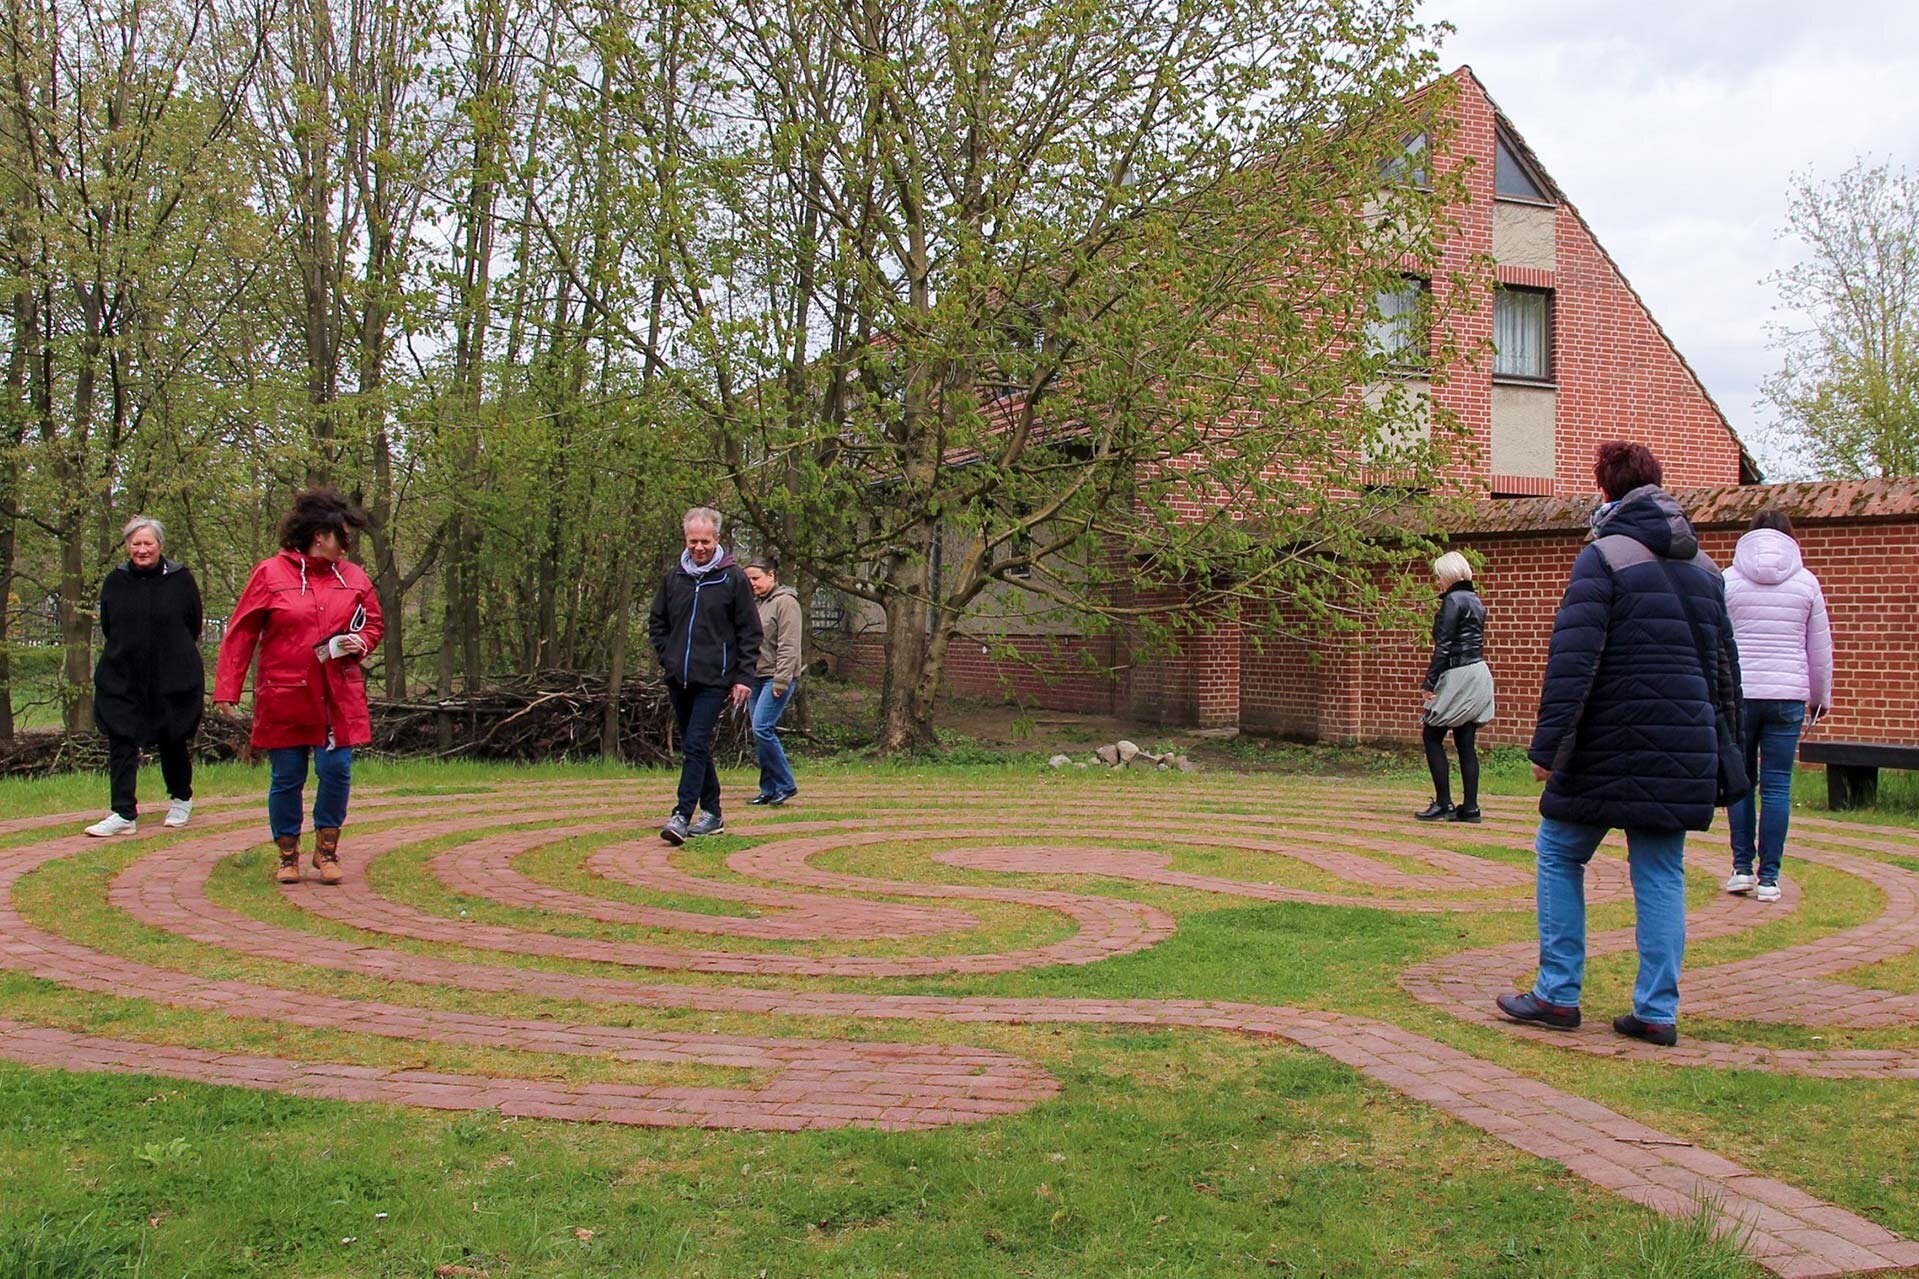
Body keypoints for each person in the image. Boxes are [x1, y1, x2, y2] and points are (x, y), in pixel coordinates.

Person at [1496, 442, 1743, 1048]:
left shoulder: (1602, 558)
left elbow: (1573, 660)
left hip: (1606, 741)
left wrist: (1548, 747)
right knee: (1661, 872)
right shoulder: (1709, 570)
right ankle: (1657, 1012)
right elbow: (1725, 674)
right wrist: (1729, 755)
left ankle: (1557, 994)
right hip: (1684, 744)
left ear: (1605, 490)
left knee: (1557, 850)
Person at [213, 489, 384, 885]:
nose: (347, 545)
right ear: (320, 535)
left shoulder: (354, 577)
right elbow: (241, 633)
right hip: (285, 694)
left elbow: (372, 624)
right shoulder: (269, 574)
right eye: (342, 536)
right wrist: (227, 688)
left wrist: (361, 643)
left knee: (336, 770)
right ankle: (287, 855)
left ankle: (326, 852)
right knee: (287, 776)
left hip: (335, 696)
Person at [1723, 507, 1832, 904]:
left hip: (1740, 694)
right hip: (1787, 696)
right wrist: (1821, 698)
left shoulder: (1728, 581)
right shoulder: (1806, 583)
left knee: (1740, 783)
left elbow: (1717, 641)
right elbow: (1819, 647)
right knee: (1777, 787)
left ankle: (1740, 869)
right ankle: (1769, 879)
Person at [85, 516, 206, 836]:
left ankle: (181, 798)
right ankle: (123, 812)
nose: (141, 550)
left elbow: (194, 624)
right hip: (123, 676)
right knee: (121, 740)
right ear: (127, 547)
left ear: (160, 546)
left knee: (172, 739)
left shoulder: (181, 579)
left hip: (172, 677)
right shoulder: (115, 581)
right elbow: (110, 626)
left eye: (147, 543)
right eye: (135, 544)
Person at [648, 507, 762, 845]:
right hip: (679, 678)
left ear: (717, 540)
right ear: (685, 539)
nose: (699, 548)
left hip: (716, 678)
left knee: (696, 743)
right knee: (695, 746)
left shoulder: (733, 579)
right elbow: (658, 622)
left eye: (706, 542)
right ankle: (712, 813)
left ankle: (682, 815)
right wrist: (667, 656)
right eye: (693, 541)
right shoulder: (674, 579)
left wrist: (743, 676)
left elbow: (750, 632)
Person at [1415, 550, 1494, 823]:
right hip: (1478, 671)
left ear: (1447, 575)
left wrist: (1429, 683)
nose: (1438, 581)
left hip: (1458, 672)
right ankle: (1471, 808)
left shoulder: (1452, 601)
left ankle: (1444, 802)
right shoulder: (1475, 600)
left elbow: (1444, 647)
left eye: (1439, 576)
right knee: (1465, 741)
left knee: (1432, 734)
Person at [743, 555, 803, 806]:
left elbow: (789, 645)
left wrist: (781, 681)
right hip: (756, 677)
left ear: (771, 576)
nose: (752, 584)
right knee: (759, 732)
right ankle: (768, 789)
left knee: (762, 728)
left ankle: (786, 784)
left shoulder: (786, 603)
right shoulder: (756, 604)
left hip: (776, 678)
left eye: (756, 579)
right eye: (748, 580)